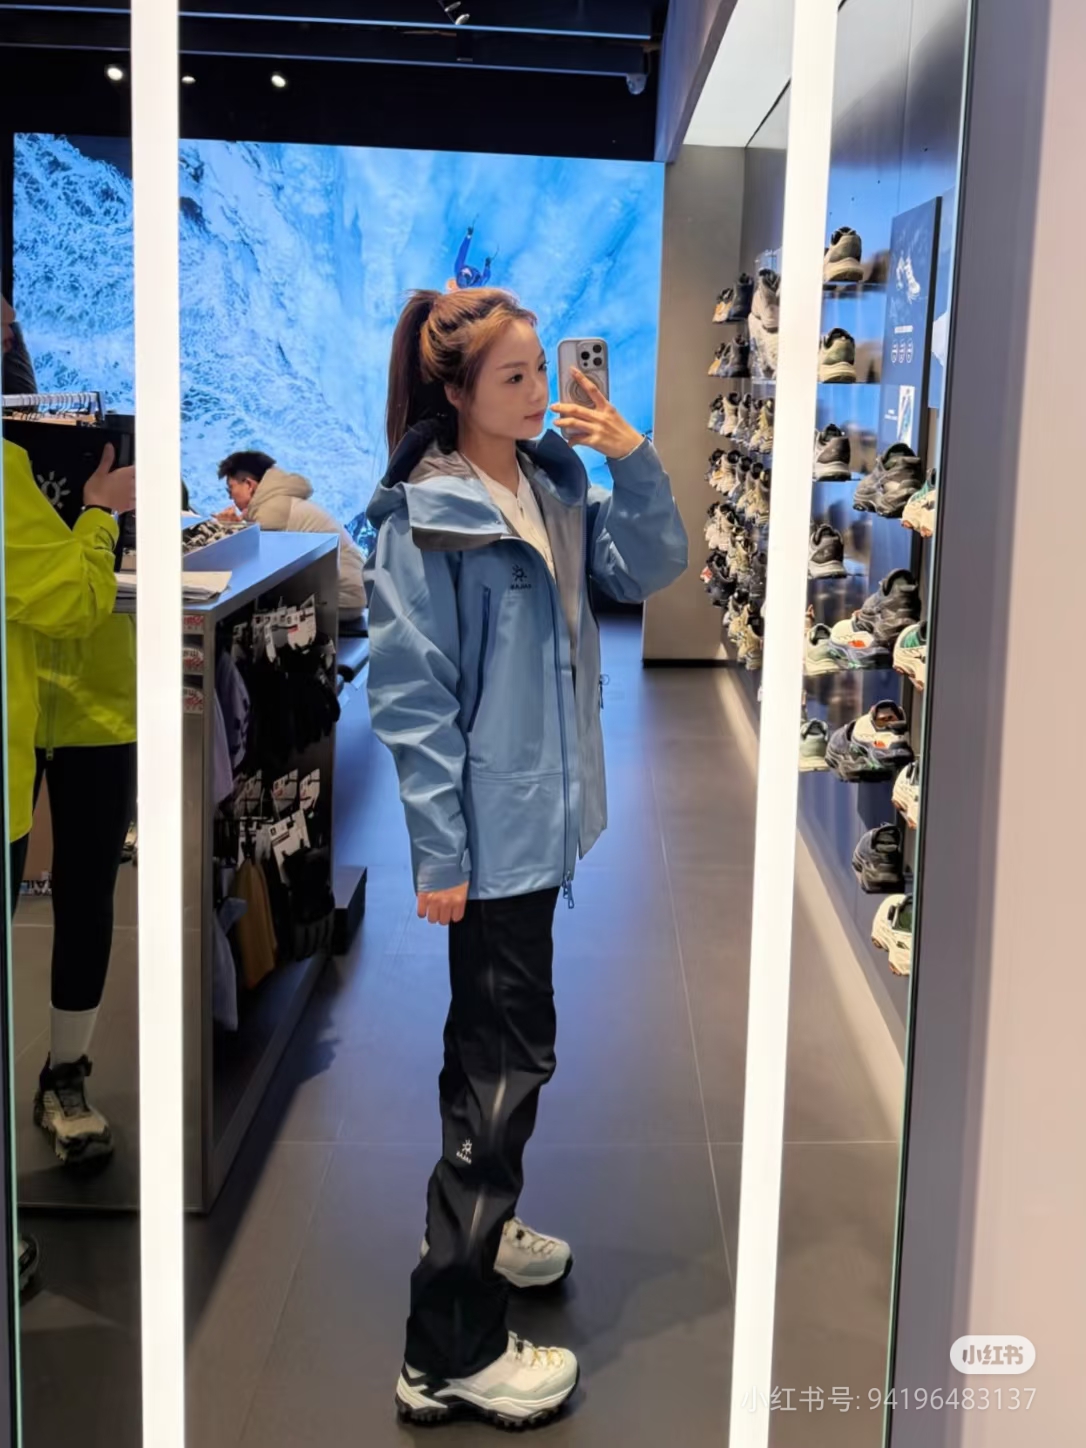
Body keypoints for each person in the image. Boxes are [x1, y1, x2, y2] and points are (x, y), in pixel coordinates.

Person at [365, 287, 687, 1430]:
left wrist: (632, 456)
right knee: (503, 1073)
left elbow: (645, 568)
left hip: (541, 821)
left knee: (491, 1053)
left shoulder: (548, 486)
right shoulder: (425, 516)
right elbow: (412, 697)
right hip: (492, 835)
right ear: (455, 391)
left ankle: (484, 1235)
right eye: (514, 376)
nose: (541, 390)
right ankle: (446, 1349)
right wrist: (439, 851)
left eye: (543, 367)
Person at [216, 451, 366, 622]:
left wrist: (231, 530)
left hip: (341, 599)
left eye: (231, 489)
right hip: (348, 594)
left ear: (249, 484)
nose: (230, 497)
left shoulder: (272, 510)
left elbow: (256, 569)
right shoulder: (280, 502)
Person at [447, 224, 493, 291]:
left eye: (461, 273)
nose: (465, 270)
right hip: (476, 274)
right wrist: (487, 266)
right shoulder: (477, 283)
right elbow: (486, 277)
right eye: (466, 274)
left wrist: (468, 236)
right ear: (470, 279)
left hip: (469, 273)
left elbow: (462, 252)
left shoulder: (457, 269)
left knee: (461, 260)